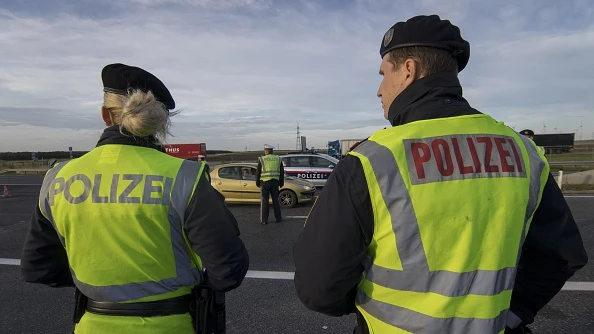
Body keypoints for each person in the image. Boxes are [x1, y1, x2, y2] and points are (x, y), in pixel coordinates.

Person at [293, 15, 588, 334]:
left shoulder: (373, 159)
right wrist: (512, 315)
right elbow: (561, 255)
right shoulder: (524, 152)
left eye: (383, 75)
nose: (379, 90)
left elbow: (319, 290)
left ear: (408, 70)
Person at [20, 63, 249, 333]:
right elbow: (228, 268)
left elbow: (37, 268)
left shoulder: (57, 177)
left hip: (92, 324)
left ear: (106, 114)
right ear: (159, 121)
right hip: (172, 323)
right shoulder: (184, 176)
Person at [256, 144, 284, 225]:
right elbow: (282, 172)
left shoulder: (262, 159)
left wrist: (257, 183)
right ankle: (278, 219)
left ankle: (264, 220)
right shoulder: (278, 159)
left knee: (265, 202)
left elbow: (258, 172)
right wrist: (281, 183)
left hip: (264, 183)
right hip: (275, 183)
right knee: (276, 201)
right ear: (272, 151)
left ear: (266, 151)